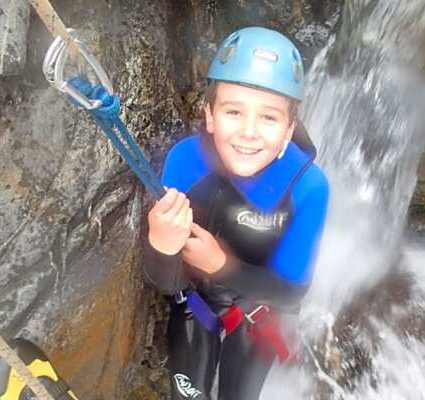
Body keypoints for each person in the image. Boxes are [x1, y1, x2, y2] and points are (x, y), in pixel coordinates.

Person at [143, 26, 329, 400]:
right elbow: (168, 282)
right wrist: (162, 245)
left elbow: (291, 294)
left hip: (261, 312)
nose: (248, 133)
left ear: (290, 128)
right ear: (209, 116)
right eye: (233, 111)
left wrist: (219, 265)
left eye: (269, 118)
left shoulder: (307, 187)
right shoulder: (185, 161)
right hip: (195, 304)